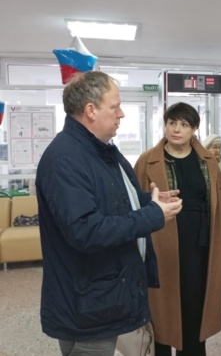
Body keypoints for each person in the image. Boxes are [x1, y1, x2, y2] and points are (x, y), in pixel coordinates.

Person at [36, 71, 182, 356]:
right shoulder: (65, 159)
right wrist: (152, 216)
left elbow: (113, 202)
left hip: (106, 294)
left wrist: (147, 202)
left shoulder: (102, 151)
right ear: (91, 110)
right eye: (115, 107)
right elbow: (85, 230)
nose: (121, 114)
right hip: (88, 305)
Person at [134, 102, 221, 356]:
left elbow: (220, 207)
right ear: (165, 125)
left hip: (200, 244)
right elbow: (133, 205)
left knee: (195, 305)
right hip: (161, 243)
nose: (176, 129)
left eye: (184, 124)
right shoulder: (147, 160)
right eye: (172, 123)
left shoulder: (207, 161)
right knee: (162, 309)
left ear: (194, 129)